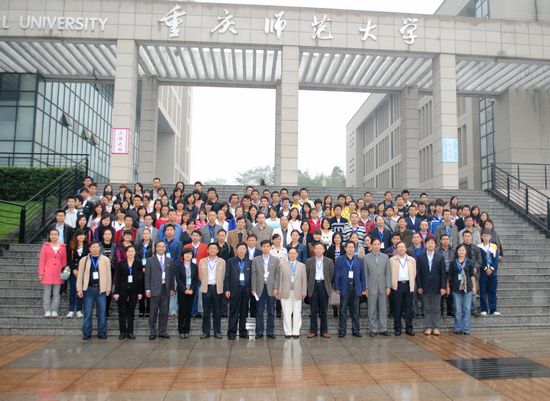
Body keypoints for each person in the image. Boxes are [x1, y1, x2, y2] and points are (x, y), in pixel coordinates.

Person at [77, 241, 112, 340]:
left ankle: (102, 332)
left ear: (100, 248)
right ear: (89, 249)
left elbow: (109, 275)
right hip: (88, 289)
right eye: (93, 247)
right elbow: (80, 276)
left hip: (101, 289)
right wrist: (79, 289)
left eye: (97, 247)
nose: (95, 249)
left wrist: (108, 288)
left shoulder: (105, 260)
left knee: (102, 313)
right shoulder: (84, 260)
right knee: (87, 312)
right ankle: (86, 332)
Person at [334, 241, 367, 338]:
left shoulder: (359, 260)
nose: (350, 249)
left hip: (356, 287)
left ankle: (356, 330)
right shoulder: (339, 260)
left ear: (354, 248)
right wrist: (337, 287)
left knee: (355, 311)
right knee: (343, 310)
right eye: (348, 247)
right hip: (344, 287)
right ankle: (342, 330)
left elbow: (362, 275)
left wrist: (363, 288)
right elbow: (336, 274)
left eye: (352, 247)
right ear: (345, 248)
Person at [415, 237, 447, 336]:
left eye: (432, 243)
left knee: (436, 307)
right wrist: (419, 286)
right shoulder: (420, 257)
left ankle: (436, 327)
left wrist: (443, 287)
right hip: (425, 286)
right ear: (425, 245)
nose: (430, 244)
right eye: (428, 243)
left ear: (435, 245)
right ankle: (428, 327)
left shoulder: (440, 257)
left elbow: (443, 273)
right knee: (427, 307)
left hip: (437, 286)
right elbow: (418, 273)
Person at [145, 241, 175, 340]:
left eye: (163, 246)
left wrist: (172, 288)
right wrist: (147, 289)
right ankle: (152, 331)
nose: (161, 248)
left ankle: (162, 331)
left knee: (164, 311)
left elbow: (171, 276)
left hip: (165, 289)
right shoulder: (150, 260)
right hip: (154, 289)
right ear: (156, 248)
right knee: (153, 312)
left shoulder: (169, 260)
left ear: (165, 248)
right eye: (159, 246)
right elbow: (147, 276)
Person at [113, 245, 143, 340]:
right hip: (122, 290)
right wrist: (116, 292)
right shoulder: (121, 263)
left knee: (131, 312)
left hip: (134, 290)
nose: (130, 253)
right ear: (126, 253)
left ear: (135, 252)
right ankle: (122, 332)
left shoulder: (138, 263)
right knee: (122, 311)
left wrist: (140, 292)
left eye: (132, 251)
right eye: (128, 251)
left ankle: (130, 332)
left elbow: (140, 278)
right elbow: (117, 278)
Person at [251, 240, 280, 339]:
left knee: (271, 311)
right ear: (261, 248)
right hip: (259, 288)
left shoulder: (276, 260)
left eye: (267, 246)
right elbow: (253, 275)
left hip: (271, 288)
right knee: (259, 311)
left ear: (270, 247)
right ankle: (259, 331)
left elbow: (277, 275)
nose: (266, 248)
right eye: (264, 246)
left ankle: (270, 331)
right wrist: (253, 289)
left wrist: (276, 287)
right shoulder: (256, 260)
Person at [363, 238, 391, 336]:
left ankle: (384, 328)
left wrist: (388, 286)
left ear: (380, 245)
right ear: (371, 245)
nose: (376, 246)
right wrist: (366, 288)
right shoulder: (366, 257)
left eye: (378, 244)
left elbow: (388, 273)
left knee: (383, 309)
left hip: (383, 286)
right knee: (372, 309)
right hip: (371, 287)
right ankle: (373, 329)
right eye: (374, 244)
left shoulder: (385, 257)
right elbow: (365, 274)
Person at [306, 242, 334, 338]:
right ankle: (313, 331)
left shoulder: (329, 261)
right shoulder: (309, 261)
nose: (318, 250)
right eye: (316, 249)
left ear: (324, 250)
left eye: (320, 248)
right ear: (314, 250)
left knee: (324, 310)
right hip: (313, 286)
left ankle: (324, 331)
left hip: (324, 286)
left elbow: (331, 275)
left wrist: (325, 282)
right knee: (313, 310)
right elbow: (307, 275)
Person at [278, 247, 308, 339]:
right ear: (288, 254)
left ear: (297, 255)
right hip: (285, 292)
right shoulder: (282, 265)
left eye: (294, 253)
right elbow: (280, 279)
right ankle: (288, 331)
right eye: (290, 253)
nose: (292, 255)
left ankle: (296, 331)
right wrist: (279, 290)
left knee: (297, 312)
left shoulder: (302, 266)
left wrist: (304, 291)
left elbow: (304, 280)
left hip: (298, 292)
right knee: (286, 313)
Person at [225, 243, 253, 340]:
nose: (242, 251)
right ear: (236, 250)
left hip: (245, 291)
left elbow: (252, 277)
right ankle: (231, 332)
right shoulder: (230, 261)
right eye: (240, 249)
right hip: (234, 290)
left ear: (246, 250)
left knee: (244, 312)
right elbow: (227, 276)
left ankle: (242, 331)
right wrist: (227, 289)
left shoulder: (249, 262)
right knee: (233, 312)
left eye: (244, 249)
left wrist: (251, 290)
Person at [38, 229, 68, 318]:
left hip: (58, 272)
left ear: (58, 236)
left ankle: (54, 309)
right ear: (49, 236)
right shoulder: (45, 246)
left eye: (55, 234)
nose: (54, 236)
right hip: (47, 271)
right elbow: (42, 260)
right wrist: (41, 273)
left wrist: (64, 272)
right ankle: (47, 310)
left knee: (56, 293)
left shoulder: (63, 247)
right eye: (52, 234)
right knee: (47, 292)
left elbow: (64, 261)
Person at [448, 244, 476, 335]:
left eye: (463, 250)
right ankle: (457, 328)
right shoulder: (453, 263)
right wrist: (448, 287)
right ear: (457, 252)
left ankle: (466, 329)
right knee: (458, 309)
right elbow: (449, 276)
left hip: (468, 288)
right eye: (459, 250)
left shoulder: (469, 262)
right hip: (456, 288)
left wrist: (474, 287)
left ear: (466, 252)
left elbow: (472, 275)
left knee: (467, 309)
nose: (461, 252)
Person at [389, 242, 417, 336]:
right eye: (399, 247)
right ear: (396, 249)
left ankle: (409, 328)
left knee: (409, 308)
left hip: (408, 285)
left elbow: (414, 272)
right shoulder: (392, 260)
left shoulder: (412, 260)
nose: (401, 249)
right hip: (397, 286)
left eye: (402, 247)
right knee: (397, 308)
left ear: (406, 249)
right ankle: (398, 328)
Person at [200, 243, 226, 339]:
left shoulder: (222, 262)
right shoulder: (202, 261)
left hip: (217, 288)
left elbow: (223, 275)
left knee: (217, 311)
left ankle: (217, 331)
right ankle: (205, 332)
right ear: (207, 250)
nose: (212, 250)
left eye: (214, 248)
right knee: (206, 311)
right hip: (206, 287)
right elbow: (200, 275)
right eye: (210, 248)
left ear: (217, 250)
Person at [176, 248, 199, 339]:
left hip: (191, 292)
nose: (188, 255)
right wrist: (184, 289)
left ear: (192, 256)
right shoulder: (179, 266)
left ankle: (187, 330)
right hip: (182, 291)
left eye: (190, 254)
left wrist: (192, 289)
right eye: (186, 254)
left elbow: (196, 280)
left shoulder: (194, 266)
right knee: (182, 311)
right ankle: (181, 330)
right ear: (183, 255)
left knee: (188, 311)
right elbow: (178, 279)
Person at [478, 228, 501, 316]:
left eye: (487, 236)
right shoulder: (478, 246)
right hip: (483, 272)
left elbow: (496, 259)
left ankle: (493, 309)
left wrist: (491, 268)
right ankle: (484, 309)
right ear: (481, 236)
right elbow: (479, 259)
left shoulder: (494, 246)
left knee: (492, 291)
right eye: (484, 236)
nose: (486, 238)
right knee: (483, 291)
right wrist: (485, 268)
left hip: (493, 272)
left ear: (490, 237)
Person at [66, 230, 88, 318]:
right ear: (76, 236)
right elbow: (69, 259)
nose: (81, 237)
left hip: (84, 271)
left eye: (83, 235)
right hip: (73, 272)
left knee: (81, 290)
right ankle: (71, 309)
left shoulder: (87, 246)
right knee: (73, 290)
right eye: (79, 235)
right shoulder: (71, 246)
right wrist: (74, 269)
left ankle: (79, 309)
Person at [137, 228, 155, 318]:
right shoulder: (138, 245)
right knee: (140, 288)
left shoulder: (153, 245)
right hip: (140, 270)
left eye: (147, 233)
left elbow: (154, 258)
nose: (146, 235)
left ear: (150, 234)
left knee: (149, 289)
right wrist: (141, 267)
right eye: (144, 234)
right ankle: (141, 310)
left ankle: (148, 310)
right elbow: (136, 257)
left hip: (150, 270)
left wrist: (147, 267)